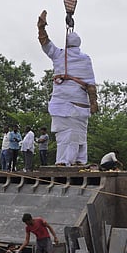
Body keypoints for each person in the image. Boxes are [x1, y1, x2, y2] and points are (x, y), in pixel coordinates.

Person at [37, 10, 98, 167]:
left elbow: (45, 43)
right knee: (80, 134)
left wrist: (41, 27)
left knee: (65, 134)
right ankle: (79, 160)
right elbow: (91, 85)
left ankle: (64, 161)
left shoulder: (59, 54)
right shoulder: (85, 59)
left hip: (63, 103)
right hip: (81, 104)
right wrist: (93, 103)